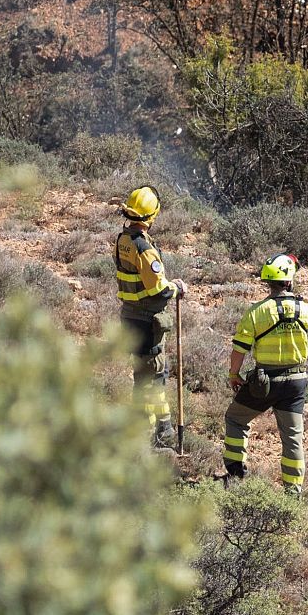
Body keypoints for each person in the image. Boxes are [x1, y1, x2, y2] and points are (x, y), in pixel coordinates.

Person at [222, 254, 308, 495]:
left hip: (263, 382)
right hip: (296, 384)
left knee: (236, 418)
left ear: (269, 282)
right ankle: (292, 492)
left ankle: (235, 474)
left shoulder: (256, 312)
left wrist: (234, 374)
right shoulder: (304, 309)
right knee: (293, 438)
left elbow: (239, 350)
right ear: (289, 281)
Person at [115, 185, 186, 449]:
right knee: (153, 378)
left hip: (130, 317)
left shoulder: (123, 239)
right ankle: (149, 440)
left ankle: (162, 426)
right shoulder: (144, 248)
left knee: (143, 375)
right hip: (147, 321)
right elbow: (157, 288)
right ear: (152, 215)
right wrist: (177, 288)